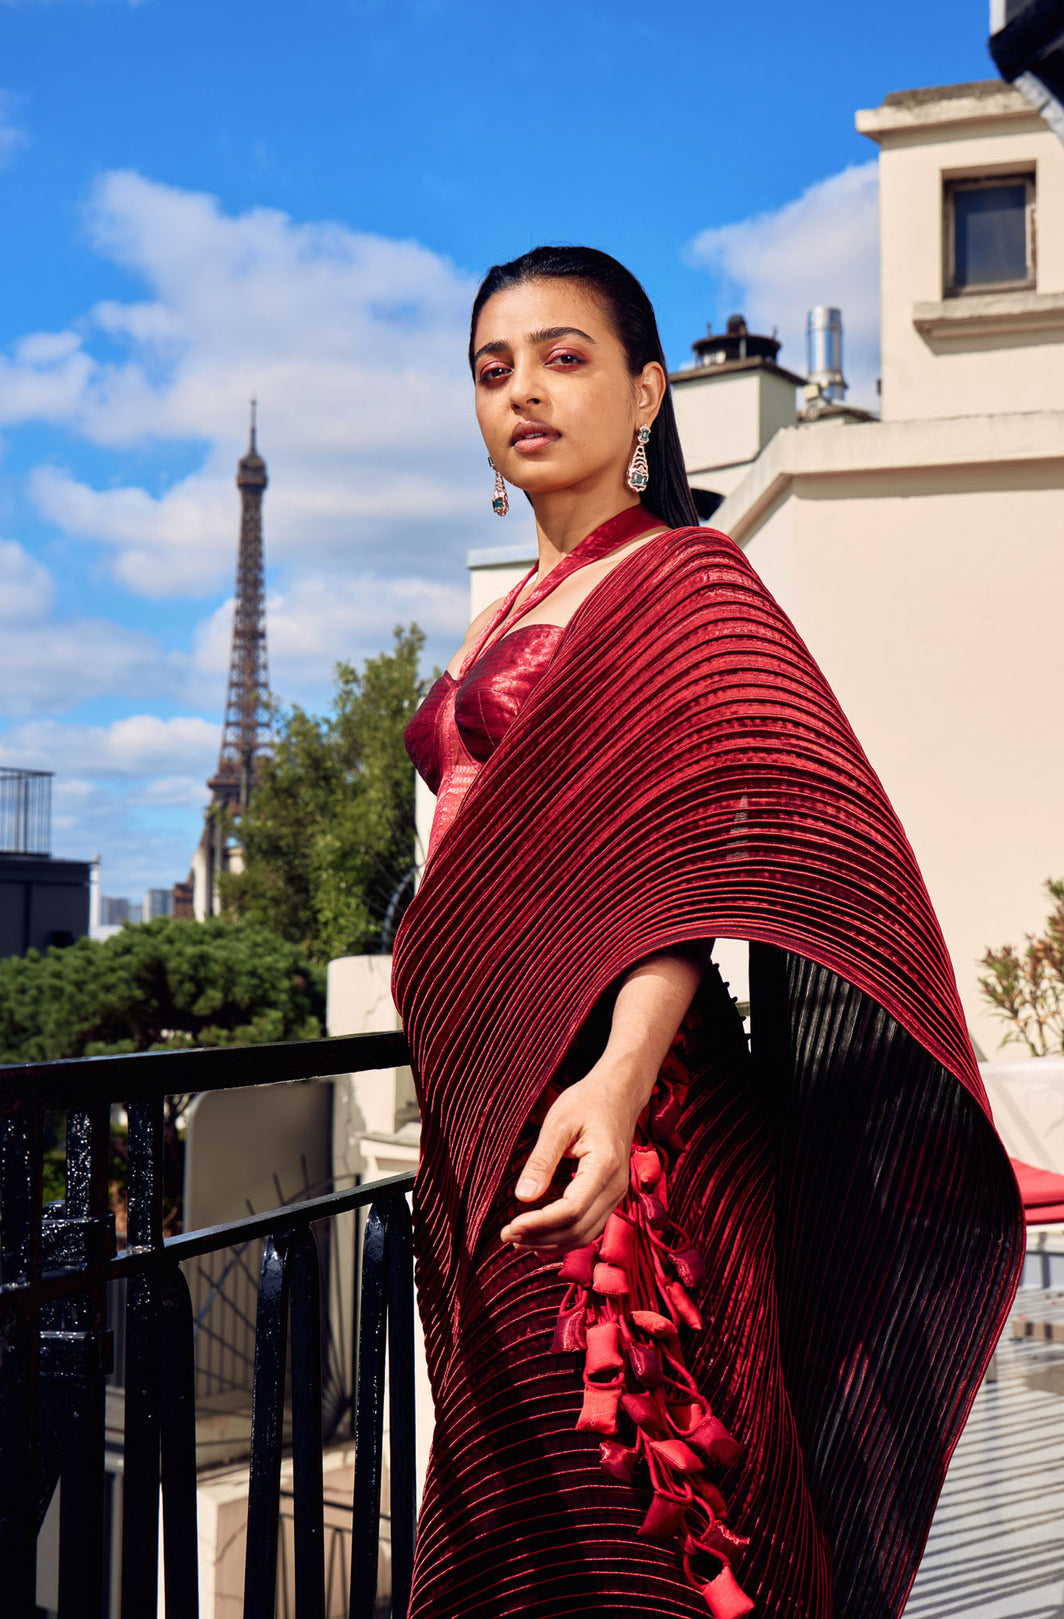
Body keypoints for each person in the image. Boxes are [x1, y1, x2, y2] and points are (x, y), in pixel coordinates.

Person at [391, 246, 1024, 1619]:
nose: (523, 395)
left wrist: (618, 1087)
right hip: (493, 1111)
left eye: (565, 358)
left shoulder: (683, 583)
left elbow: (700, 851)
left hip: (640, 1113)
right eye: (492, 371)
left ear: (649, 394)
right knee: (524, 1514)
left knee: (653, 1499)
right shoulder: (506, 607)